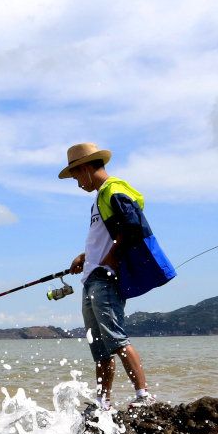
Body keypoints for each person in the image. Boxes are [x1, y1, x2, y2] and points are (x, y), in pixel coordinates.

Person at [60, 142, 165, 411]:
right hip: (91, 277)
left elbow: (132, 228)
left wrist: (111, 259)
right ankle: (102, 401)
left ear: (84, 168)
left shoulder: (113, 190)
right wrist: (85, 256)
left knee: (116, 338)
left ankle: (143, 395)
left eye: (75, 176)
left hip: (105, 279)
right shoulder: (99, 198)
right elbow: (106, 236)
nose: (77, 183)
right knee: (99, 347)